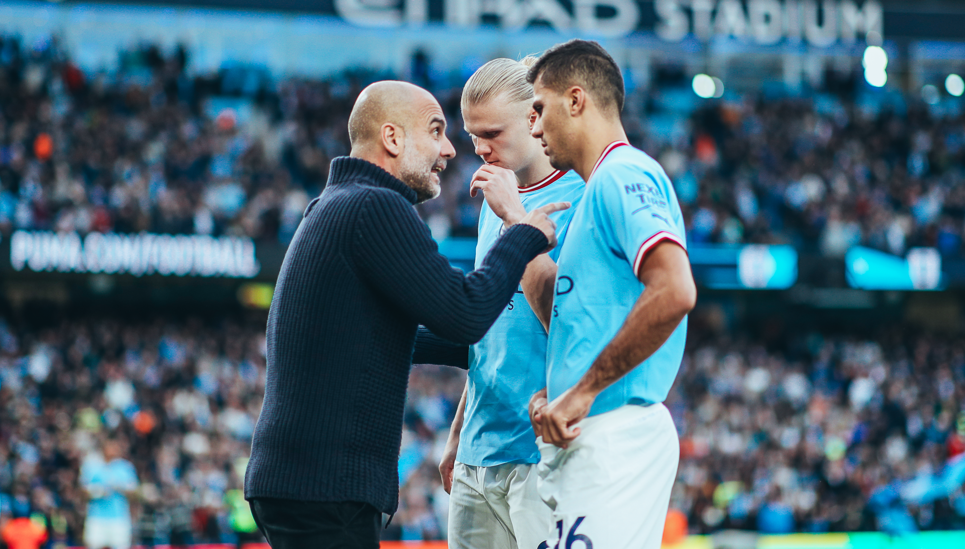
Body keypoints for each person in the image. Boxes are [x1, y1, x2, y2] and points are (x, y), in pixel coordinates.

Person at [245, 80, 568, 549]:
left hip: (300, 482)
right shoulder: (376, 206)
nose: (451, 150)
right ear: (393, 139)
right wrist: (522, 232)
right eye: (437, 131)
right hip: (327, 488)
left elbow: (383, 337)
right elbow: (463, 312)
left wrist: (500, 344)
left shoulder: (333, 204)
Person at [522, 39, 697, 549]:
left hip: (615, 432)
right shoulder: (596, 189)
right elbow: (580, 317)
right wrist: (560, 387)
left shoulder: (623, 174)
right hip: (594, 435)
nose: (534, 127)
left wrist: (582, 390)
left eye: (539, 108)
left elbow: (675, 288)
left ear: (575, 100)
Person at [414, 58, 585, 549]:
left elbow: (570, 321)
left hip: (541, 454)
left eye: (492, 132)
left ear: (535, 118)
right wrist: (458, 432)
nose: (480, 149)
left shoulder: (581, 196)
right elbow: (489, 327)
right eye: (471, 136)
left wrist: (517, 221)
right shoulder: (497, 195)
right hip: (476, 453)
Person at [80, 439, 139, 549]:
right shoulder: (92, 466)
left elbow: (134, 493)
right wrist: (98, 492)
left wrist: (120, 487)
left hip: (119, 517)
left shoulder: (125, 467)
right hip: (96, 517)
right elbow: (83, 491)